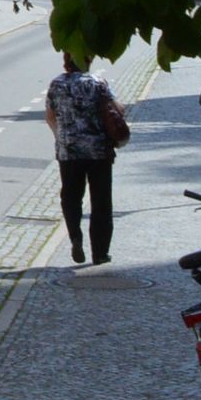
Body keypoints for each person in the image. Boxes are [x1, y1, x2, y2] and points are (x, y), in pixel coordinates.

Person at [46, 53, 119, 264]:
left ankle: (75, 236)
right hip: (99, 151)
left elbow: (50, 116)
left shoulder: (56, 84)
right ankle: (100, 252)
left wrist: (61, 138)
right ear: (88, 61)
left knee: (70, 196)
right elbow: (117, 109)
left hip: (69, 151)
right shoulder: (98, 83)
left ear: (66, 62)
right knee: (101, 201)